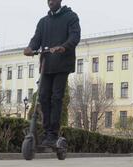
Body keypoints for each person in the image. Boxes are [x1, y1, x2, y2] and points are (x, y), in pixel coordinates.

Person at [24, 0, 81, 147]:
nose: (50, 2)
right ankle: (46, 131)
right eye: (48, 0)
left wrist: (64, 47)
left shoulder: (71, 17)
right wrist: (30, 48)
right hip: (46, 64)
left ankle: (53, 134)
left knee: (56, 97)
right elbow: (36, 39)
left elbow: (75, 37)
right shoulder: (43, 22)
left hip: (62, 64)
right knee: (42, 97)